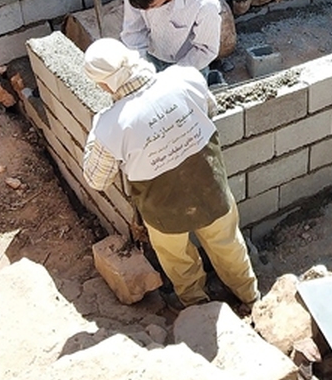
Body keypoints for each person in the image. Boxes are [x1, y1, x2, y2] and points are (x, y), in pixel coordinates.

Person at [81, 38, 259, 312]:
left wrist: (97, 135)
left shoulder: (110, 125)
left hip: (162, 209)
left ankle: (196, 307)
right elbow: (209, 109)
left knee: (178, 261)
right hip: (209, 186)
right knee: (228, 245)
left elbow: (96, 180)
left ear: (104, 84)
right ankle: (250, 298)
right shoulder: (184, 77)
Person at [121, 0, 224, 82]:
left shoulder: (204, 2)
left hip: (190, 65)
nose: (146, 12)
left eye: (152, 6)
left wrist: (173, 78)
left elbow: (206, 49)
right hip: (152, 55)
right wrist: (142, 66)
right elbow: (134, 30)